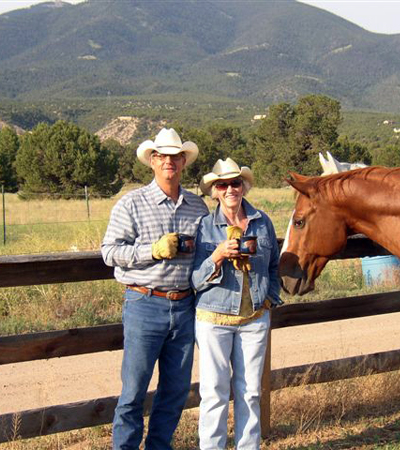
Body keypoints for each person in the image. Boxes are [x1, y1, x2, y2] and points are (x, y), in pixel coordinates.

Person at [101, 128, 209, 450]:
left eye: (175, 156)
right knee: (133, 390)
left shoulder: (197, 207)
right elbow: (109, 252)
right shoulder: (131, 204)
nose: (168, 162)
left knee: (175, 391)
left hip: (185, 305)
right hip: (145, 303)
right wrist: (152, 250)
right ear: (152, 161)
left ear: (182, 162)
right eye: (162, 156)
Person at [191, 158, 282, 450]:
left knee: (250, 392)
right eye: (223, 184)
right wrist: (217, 256)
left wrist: (270, 298)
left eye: (235, 183)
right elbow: (193, 279)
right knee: (214, 393)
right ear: (214, 191)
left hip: (254, 318)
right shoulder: (204, 227)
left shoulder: (262, 221)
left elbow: (275, 266)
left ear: (243, 186)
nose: (230, 189)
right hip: (213, 318)